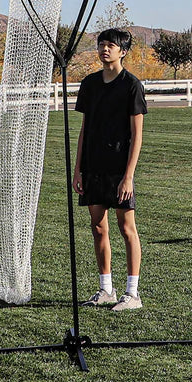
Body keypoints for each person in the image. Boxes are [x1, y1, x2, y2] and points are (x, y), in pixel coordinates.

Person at [72, 28, 147, 312]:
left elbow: (137, 134)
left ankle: (132, 294)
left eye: (111, 46)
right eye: (101, 45)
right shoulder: (90, 84)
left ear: (123, 51)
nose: (105, 49)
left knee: (126, 228)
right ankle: (105, 289)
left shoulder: (131, 85)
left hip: (119, 167)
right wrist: (78, 169)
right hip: (93, 166)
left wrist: (128, 175)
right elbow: (84, 129)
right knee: (98, 227)